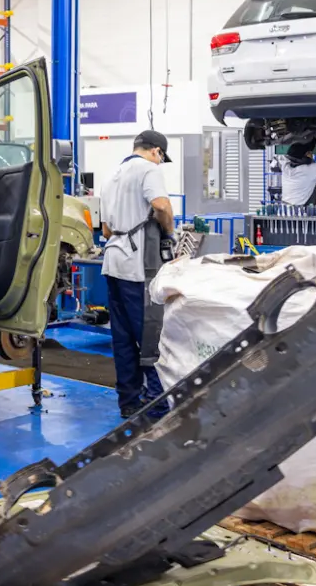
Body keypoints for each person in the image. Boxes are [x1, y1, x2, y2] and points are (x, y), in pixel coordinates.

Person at [99, 130, 174, 419]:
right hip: (137, 266)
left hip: (113, 262)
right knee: (150, 331)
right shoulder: (148, 169)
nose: (160, 162)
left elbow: (106, 230)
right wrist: (168, 230)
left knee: (122, 337)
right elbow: (161, 205)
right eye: (161, 158)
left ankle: (129, 402)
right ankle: (157, 401)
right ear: (156, 151)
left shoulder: (112, 174)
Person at [280, 141, 316, 207]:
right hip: (297, 209)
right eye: (308, 153)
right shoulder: (307, 170)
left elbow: (300, 154)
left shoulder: (285, 167)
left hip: (286, 206)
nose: (311, 155)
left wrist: (314, 140)